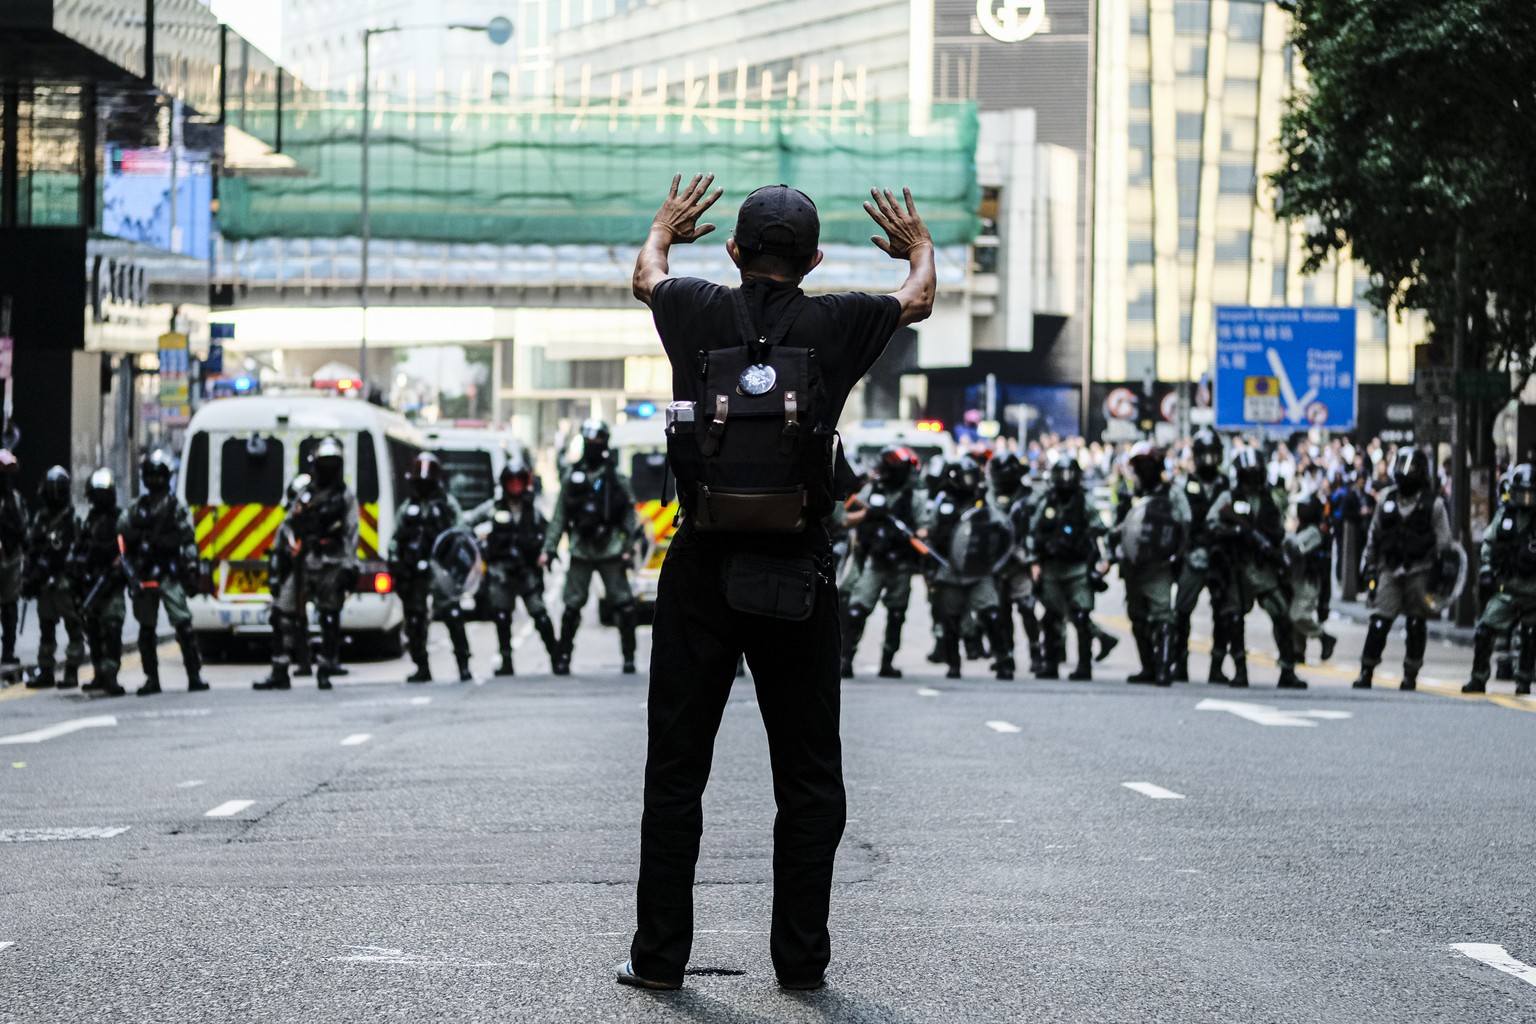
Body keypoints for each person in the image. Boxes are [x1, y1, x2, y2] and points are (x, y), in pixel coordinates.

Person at [618, 175, 933, 992]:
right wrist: (917, 246)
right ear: (815, 258)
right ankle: (799, 964)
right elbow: (920, 296)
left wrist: (663, 226)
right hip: (796, 572)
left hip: (702, 570)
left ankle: (658, 962)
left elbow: (645, 276)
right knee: (807, 778)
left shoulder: (694, 305)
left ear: (733, 251)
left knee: (676, 771)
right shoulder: (838, 321)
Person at [541, 419, 640, 676]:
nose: (593, 447)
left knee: (624, 604)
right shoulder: (572, 478)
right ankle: (563, 658)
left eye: (597, 442)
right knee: (572, 606)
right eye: (589, 442)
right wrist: (549, 549)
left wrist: (628, 546)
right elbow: (559, 517)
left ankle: (629, 657)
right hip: (581, 549)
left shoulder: (617, 479)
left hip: (611, 549)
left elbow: (629, 517)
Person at [1352, 446, 1452, 691]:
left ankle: (1411, 673)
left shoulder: (1433, 505)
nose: (1406, 472)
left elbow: (1444, 543)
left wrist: (1440, 576)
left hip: (1420, 570)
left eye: (1412, 468)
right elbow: (1374, 536)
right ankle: (1366, 669)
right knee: (1379, 622)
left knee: (1416, 625)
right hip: (1390, 569)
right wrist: (1369, 566)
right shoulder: (1386, 498)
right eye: (1402, 466)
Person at [1207, 448, 1306, 689]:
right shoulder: (1228, 498)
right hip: (1236, 566)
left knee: (1280, 613)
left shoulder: (1270, 499)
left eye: (1255, 474)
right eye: (1248, 474)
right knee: (1232, 618)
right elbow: (1211, 524)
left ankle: (1287, 670)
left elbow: (1279, 530)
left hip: (1263, 567)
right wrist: (1235, 532)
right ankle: (1240, 670)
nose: (1252, 479)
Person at [121, 449, 207, 696]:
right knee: (146, 629)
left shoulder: (175, 507)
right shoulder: (138, 508)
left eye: (159, 475)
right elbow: (123, 532)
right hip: (146, 574)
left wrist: (191, 568)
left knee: (183, 624)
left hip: (170, 574)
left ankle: (194, 674)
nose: (156, 480)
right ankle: (151, 678)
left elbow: (188, 540)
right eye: (151, 475)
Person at [466, 455, 560, 676]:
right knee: (501, 615)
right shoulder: (493, 508)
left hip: (527, 571)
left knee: (539, 613)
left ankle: (556, 657)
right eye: (512, 481)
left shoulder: (533, 511)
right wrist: (478, 545)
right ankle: (506, 660)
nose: (515, 486)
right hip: (501, 571)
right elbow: (467, 524)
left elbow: (550, 534)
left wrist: (547, 553)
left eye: (520, 480)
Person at [926, 456, 1014, 681]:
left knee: (992, 614)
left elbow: (1002, 529)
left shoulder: (984, 501)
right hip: (949, 569)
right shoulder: (943, 501)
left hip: (979, 569)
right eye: (967, 477)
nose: (971, 482)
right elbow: (932, 535)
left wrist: (998, 562)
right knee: (950, 620)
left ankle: (1003, 660)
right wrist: (929, 570)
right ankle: (953, 664)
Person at [839, 445, 923, 679]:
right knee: (857, 610)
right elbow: (845, 517)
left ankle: (887, 661)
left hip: (900, 563)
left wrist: (915, 535)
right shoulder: (871, 491)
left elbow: (924, 528)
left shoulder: (912, 496)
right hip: (873, 561)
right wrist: (869, 514)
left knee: (897, 613)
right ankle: (846, 658)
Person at [1111, 443, 1188, 687]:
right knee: (1137, 616)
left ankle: (1164, 667)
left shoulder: (1170, 493)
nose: (1143, 470)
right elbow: (1117, 530)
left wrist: (1177, 556)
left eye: (1146, 465)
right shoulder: (1129, 496)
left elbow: (1184, 525)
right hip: (1133, 565)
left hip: (1159, 564)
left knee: (1162, 615)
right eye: (1139, 466)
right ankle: (1148, 666)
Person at [391, 452, 471, 683]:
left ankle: (463, 664)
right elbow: (396, 538)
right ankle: (421, 666)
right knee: (415, 619)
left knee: (452, 614)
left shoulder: (447, 505)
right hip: (415, 572)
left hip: (440, 570)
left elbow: (461, 530)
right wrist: (396, 560)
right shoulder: (408, 508)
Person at [1028, 452, 1109, 681]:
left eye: (1069, 474)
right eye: (1060, 474)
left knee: (1081, 616)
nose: (1065, 479)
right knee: (1051, 617)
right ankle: (1050, 663)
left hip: (1078, 568)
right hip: (1052, 569)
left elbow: (1099, 530)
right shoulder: (1046, 502)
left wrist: (1104, 560)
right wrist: (1033, 561)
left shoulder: (1084, 503)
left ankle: (1085, 665)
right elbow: (1033, 533)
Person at [1463, 463, 1536, 695]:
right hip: (1507, 590)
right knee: (1484, 630)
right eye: (1521, 493)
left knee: (1530, 634)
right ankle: (1478, 677)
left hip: (1533, 593)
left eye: (1530, 494)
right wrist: (1486, 570)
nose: (1525, 499)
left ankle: (1524, 679)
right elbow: (1489, 543)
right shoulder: (1504, 516)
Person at [1172, 430, 1230, 681]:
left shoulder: (1229, 485)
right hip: (1193, 555)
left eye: (1212, 454)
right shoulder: (1183, 486)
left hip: (1221, 556)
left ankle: (1217, 667)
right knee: (1182, 611)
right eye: (1203, 454)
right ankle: (1180, 663)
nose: (1208, 459)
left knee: (1225, 613)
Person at [23, 466, 85, 689]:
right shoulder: (41, 519)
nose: (54, 495)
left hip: (64, 582)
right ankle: (46, 670)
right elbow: (32, 548)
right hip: (45, 584)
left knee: (73, 627)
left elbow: (79, 551)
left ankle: (71, 671)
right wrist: (29, 577)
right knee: (46, 629)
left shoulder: (72, 520)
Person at [253, 474, 313, 691]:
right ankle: (305, 663)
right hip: (299, 571)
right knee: (297, 617)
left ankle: (280, 672)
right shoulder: (299, 515)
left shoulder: (305, 515)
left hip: (303, 571)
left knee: (281, 618)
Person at [988, 450, 1043, 674]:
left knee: (1026, 608)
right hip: (996, 561)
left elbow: (1036, 529)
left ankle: (1036, 653)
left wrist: (1033, 560)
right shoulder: (988, 496)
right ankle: (1006, 654)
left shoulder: (1030, 496)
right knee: (1001, 611)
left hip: (1021, 559)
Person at [74, 469, 127, 697]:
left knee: (112, 628)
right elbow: (81, 550)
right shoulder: (89, 522)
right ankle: (98, 672)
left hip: (112, 584)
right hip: (93, 583)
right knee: (93, 629)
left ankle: (111, 674)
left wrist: (118, 570)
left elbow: (127, 550)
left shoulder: (120, 519)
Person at [1285, 493, 1338, 665]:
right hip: (1298, 576)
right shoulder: (1306, 528)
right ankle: (1297, 651)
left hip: (1309, 579)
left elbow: (1295, 548)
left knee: (1298, 615)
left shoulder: (1314, 531)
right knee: (1294, 615)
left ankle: (1324, 637)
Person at [0, 449, 25, 676]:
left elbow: (22, 527)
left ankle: (8, 649)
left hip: (11, 561)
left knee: (9, 608)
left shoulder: (15, 499)